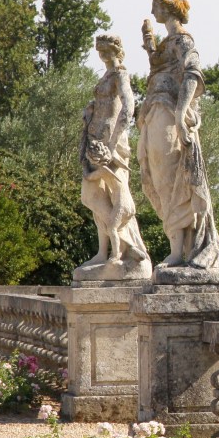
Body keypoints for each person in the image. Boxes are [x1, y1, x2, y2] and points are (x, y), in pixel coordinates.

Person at [137, 0, 219, 278]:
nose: (153, 12)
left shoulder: (183, 40)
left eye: (155, 7)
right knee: (157, 179)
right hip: (153, 113)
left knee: (173, 180)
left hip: (167, 113)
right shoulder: (168, 42)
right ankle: (176, 247)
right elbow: (162, 68)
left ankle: (180, 251)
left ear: (167, 8)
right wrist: (150, 48)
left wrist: (181, 113)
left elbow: (192, 73)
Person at [76, 34, 149, 278]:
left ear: (117, 50)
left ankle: (124, 249)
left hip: (111, 141)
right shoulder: (107, 75)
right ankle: (104, 251)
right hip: (95, 140)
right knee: (94, 195)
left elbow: (128, 107)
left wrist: (115, 140)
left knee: (118, 195)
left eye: (107, 50)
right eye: (100, 50)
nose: (103, 55)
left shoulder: (120, 74)